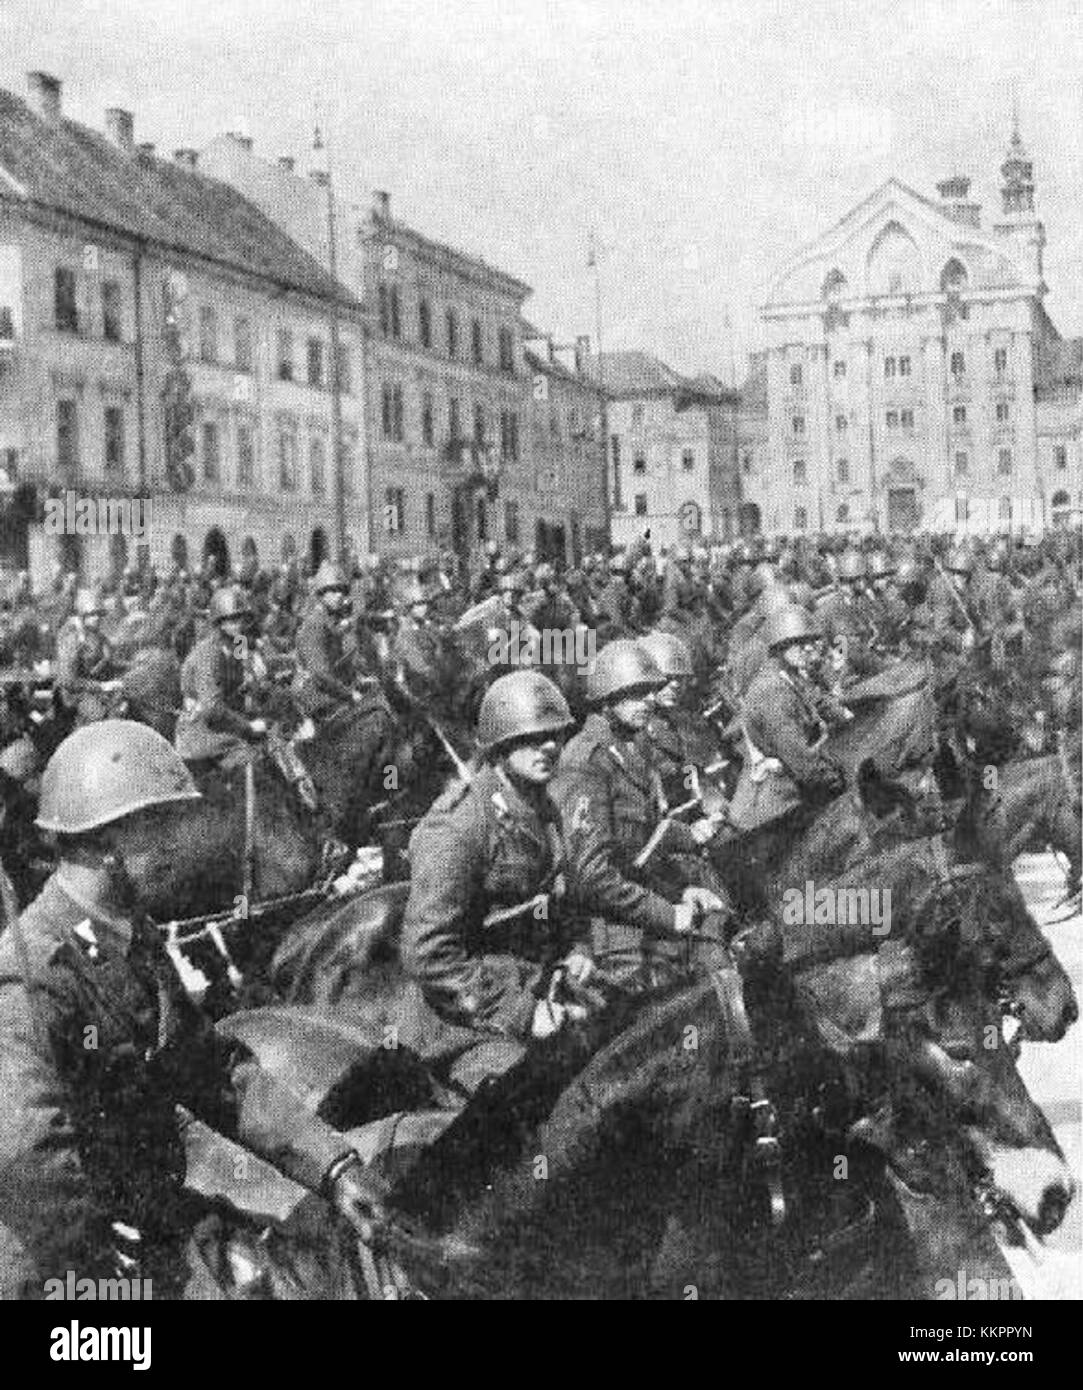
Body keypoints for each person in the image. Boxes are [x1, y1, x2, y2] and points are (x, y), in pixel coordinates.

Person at [0, 720, 391, 1299]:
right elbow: (28, 1161)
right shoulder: (30, 976)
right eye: (162, 826)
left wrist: (332, 1167)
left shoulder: (130, 937)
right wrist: (115, 1268)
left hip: (153, 1214)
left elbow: (214, 1072)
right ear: (109, 846)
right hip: (65, 1265)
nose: (181, 843)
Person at [399, 671, 594, 1099]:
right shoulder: (460, 826)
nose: (549, 747)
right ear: (500, 745)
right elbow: (427, 954)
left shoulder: (541, 804)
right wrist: (523, 1014)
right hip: (463, 1023)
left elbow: (555, 895)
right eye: (532, 737)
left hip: (541, 986)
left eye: (556, 736)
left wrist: (578, 946)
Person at [551, 640, 726, 997]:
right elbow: (595, 876)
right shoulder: (586, 762)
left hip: (644, 905)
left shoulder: (628, 747)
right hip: (615, 934)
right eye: (637, 692)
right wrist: (667, 912)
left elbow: (641, 852)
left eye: (651, 690)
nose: (650, 699)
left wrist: (680, 892)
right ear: (608, 699)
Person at [174, 586, 265, 775]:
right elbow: (212, 708)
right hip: (202, 732)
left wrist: (257, 676)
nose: (238, 624)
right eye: (231, 620)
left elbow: (243, 676)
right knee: (253, 762)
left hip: (227, 721)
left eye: (241, 618)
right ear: (219, 622)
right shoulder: (208, 654)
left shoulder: (238, 641)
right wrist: (248, 726)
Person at [55, 587, 123, 726]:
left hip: (99, 690)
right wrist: (100, 686)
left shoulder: (101, 638)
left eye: (99, 614)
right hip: (75, 694)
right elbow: (68, 680)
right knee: (100, 717)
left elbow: (109, 663)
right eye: (92, 614)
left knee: (125, 708)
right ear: (82, 616)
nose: (97, 618)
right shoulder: (72, 640)